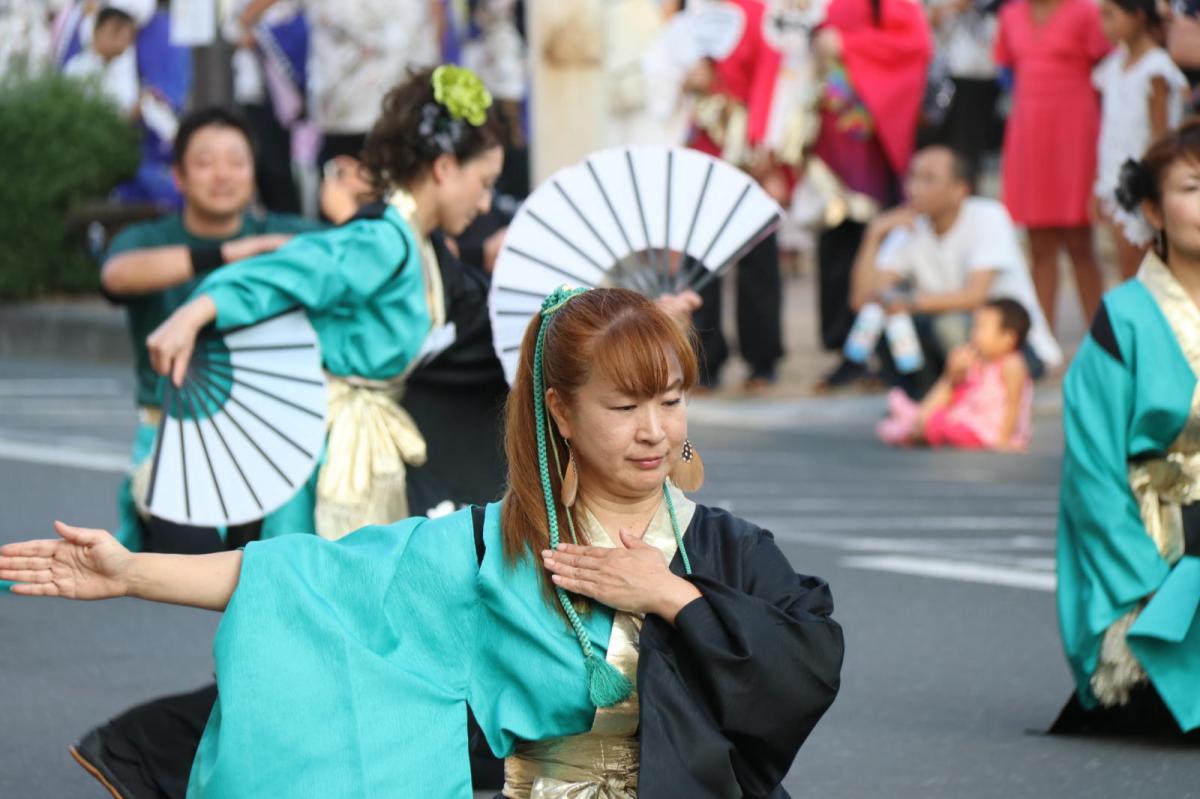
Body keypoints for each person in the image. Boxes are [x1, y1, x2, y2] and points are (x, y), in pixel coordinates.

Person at [0, 286, 846, 797]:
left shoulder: (725, 548)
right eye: (624, 408)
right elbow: (310, 579)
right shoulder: (488, 547)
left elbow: (809, 662)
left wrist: (670, 595)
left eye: (671, 401)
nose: (654, 431)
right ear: (559, 411)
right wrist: (131, 570)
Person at [99, 106, 325, 556]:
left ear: (254, 173)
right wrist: (226, 254)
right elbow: (116, 276)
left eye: (236, 162)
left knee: (278, 561)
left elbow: (349, 262)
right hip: (173, 434)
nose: (222, 175)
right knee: (189, 555)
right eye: (204, 163)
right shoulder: (148, 238)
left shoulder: (282, 233)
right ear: (179, 177)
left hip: (272, 436)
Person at [1052, 122, 1200, 738]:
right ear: (1151, 210)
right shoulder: (1126, 317)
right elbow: (1092, 473)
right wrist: (1143, 591)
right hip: (1161, 540)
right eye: (1194, 187)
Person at [846, 145, 1062, 396]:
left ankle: (974, 397)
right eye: (912, 176)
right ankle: (921, 399)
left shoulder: (988, 216)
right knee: (880, 318)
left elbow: (975, 296)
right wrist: (874, 234)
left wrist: (907, 302)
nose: (914, 188)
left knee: (949, 325)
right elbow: (862, 300)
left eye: (928, 179)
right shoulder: (908, 226)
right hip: (950, 345)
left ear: (960, 190)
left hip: (1013, 347)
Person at [804, 0, 933, 390]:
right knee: (833, 241)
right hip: (829, 137)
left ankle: (879, 352)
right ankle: (844, 347)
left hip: (869, 138)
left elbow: (915, 45)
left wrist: (846, 45)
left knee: (872, 243)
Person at [683, 0, 786, 393]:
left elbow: (772, 78)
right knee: (701, 263)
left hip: (750, 152)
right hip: (704, 150)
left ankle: (763, 359)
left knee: (757, 255)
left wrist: (763, 140)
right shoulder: (695, 17)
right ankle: (705, 360)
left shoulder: (761, 15)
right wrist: (688, 78)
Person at [994, 0, 1110, 330]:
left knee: (1079, 240)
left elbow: (1106, 69)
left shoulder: (1085, 11)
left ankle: (1100, 339)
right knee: (1038, 243)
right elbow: (1006, 71)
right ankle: (1042, 342)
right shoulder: (1010, 14)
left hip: (1076, 132)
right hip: (1028, 134)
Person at [1093, 0, 1189, 279]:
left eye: (1111, 16)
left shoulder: (1156, 68)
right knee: (1125, 264)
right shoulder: (1112, 66)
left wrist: (1147, 186)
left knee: (1139, 268)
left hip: (1138, 183)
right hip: (1114, 177)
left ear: (1137, 16)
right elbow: (1109, 130)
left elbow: (1160, 134)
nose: (1105, 26)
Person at [876, 298, 1034, 452]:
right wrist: (951, 374)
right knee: (938, 414)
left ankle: (913, 425)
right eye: (974, 327)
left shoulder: (1012, 364)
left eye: (981, 328)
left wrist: (1003, 439)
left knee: (940, 423)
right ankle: (915, 422)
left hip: (988, 429)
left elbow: (1014, 404)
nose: (974, 334)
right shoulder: (979, 361)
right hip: (971, 421)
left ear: (1008, 338)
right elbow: (951, 394)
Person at [63, 5, 139, 115]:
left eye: (127, 36)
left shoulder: (124, 69)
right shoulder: (77, 68)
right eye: (115, 32)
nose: (121, 41)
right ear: (97, 30)